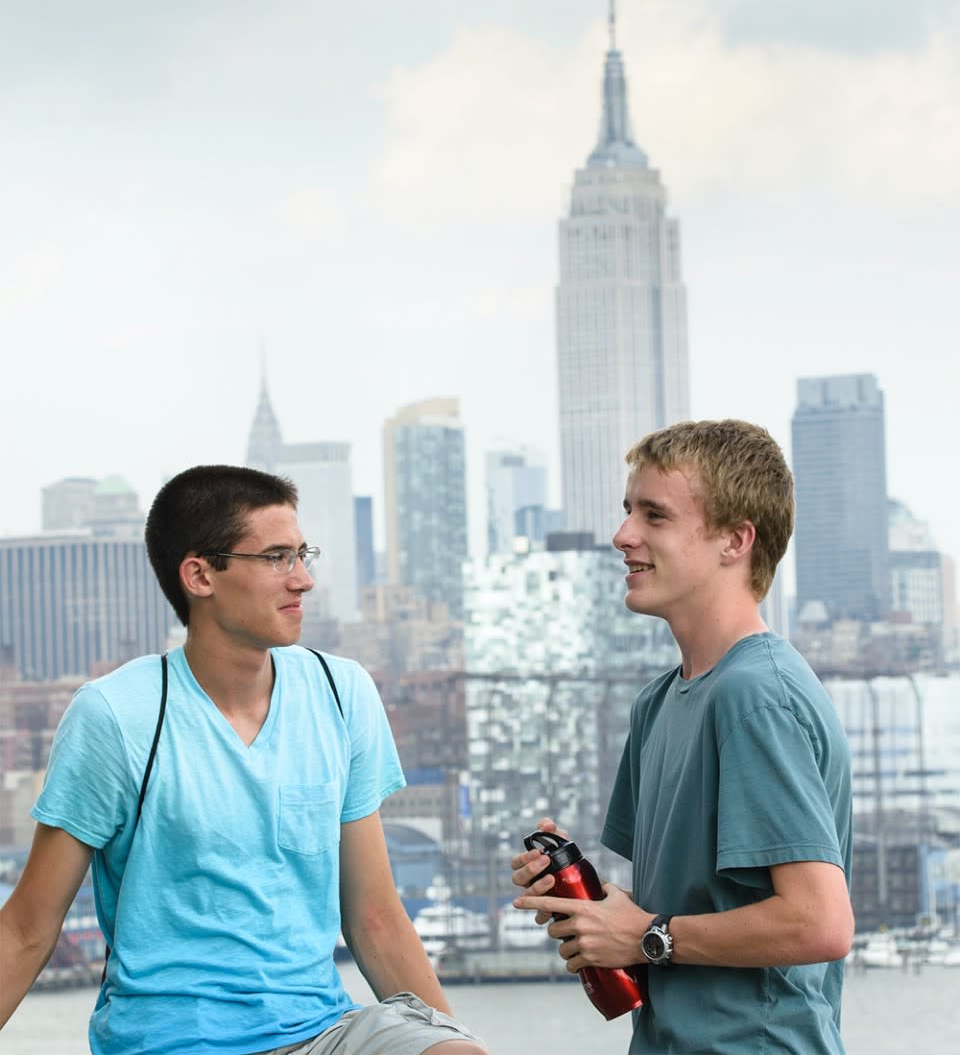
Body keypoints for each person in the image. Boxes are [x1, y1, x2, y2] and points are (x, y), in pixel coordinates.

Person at [0, 464, 486, 1055]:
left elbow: (376, 918)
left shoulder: (343, 691)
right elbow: (27, 928)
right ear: (200, 574)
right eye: (278, 557)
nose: (303, 579)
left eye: (303, 554)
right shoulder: (116, 714)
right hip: (174, 1042)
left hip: (323, 1031)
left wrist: (448, 1038)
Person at [511, 420, 854, 1054]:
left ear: (734, 540)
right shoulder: (660, 702)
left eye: (655, 516)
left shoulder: (755, 697)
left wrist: (645, 935)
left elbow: (819, 923)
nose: (622, 536)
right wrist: (594, 909)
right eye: (626, 511)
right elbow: (680, 910)